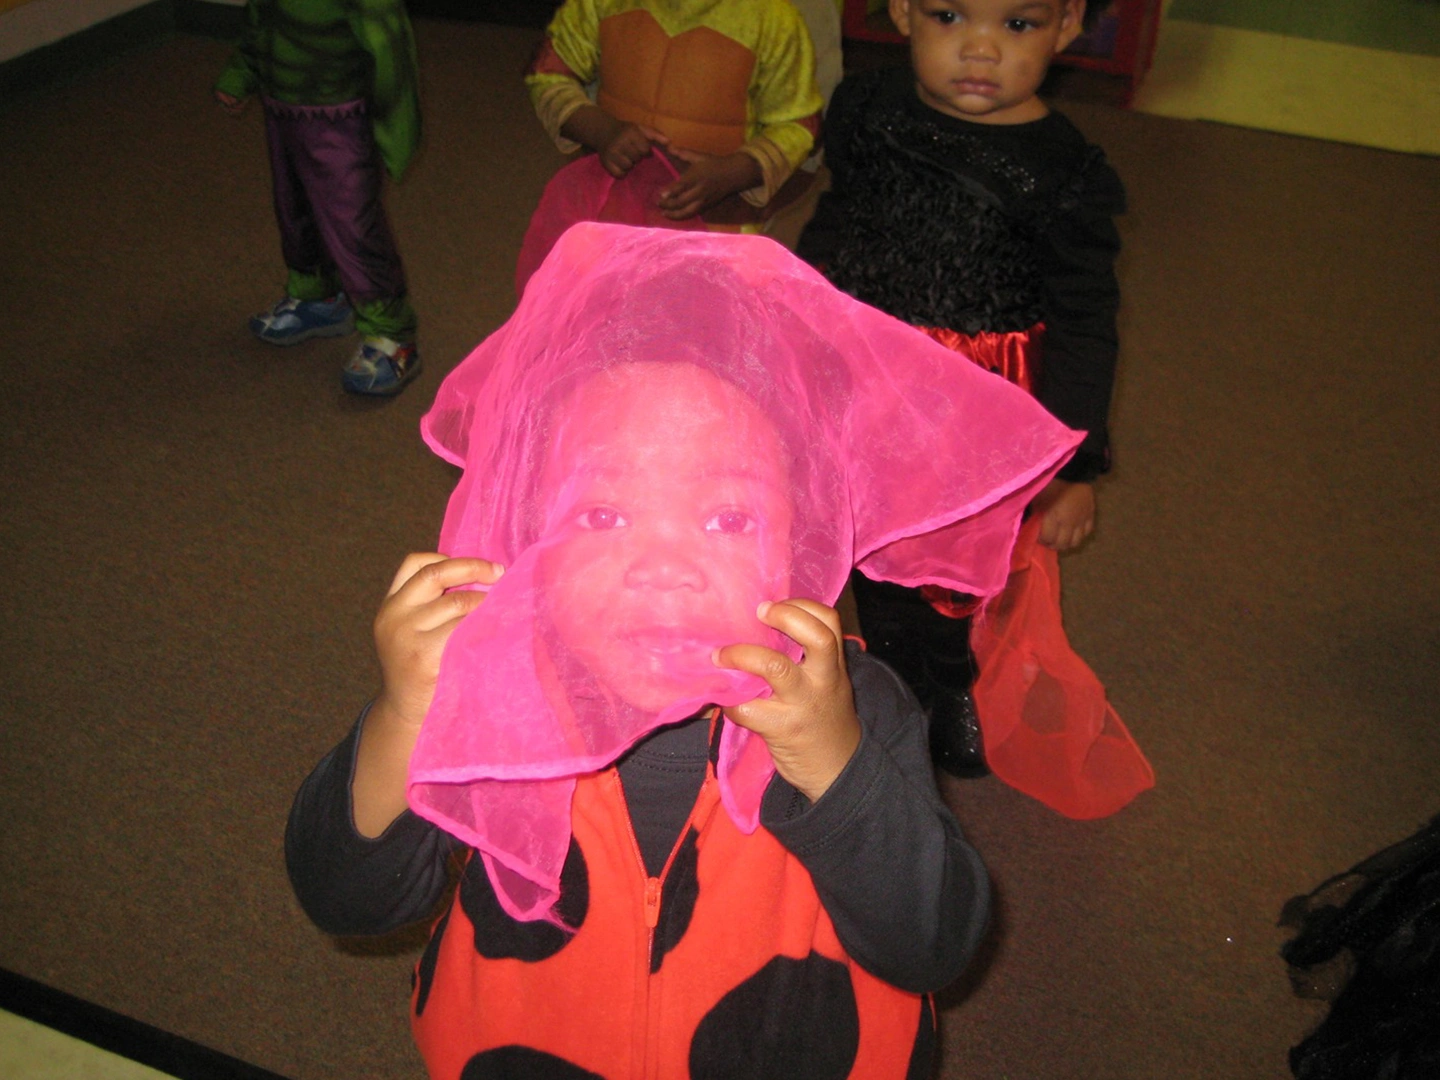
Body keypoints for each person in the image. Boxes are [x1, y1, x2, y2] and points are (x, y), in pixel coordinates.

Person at [285, 223, 1082, 1077]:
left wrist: (831, 761)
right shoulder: (496, 690)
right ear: (527, 524)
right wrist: (409, 711)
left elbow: (932, 944)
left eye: (726, 518)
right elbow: (345, 898)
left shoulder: (851, 703)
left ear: (800, 536)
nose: (665, 569)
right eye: (602, 514)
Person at [796, 0, 1138, 801]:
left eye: (1017, 25)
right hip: (866, 370)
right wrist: (796, 322)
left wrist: (1075, 463)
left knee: (953, 563)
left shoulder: (1065, 172)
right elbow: (837, 223)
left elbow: (1087, 320)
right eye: (950, 15)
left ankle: (948, 680)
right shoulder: (870, 110)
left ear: (1067, 26)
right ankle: (888, 677)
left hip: (977, 398)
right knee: (865, 533)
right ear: (904, 10)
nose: (979, 48)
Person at [214, 0, 423, 396]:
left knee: (352, 222)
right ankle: (320, 295)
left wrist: (397, 131)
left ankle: (393, 335)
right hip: (283, 107)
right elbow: (260, 23)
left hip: (338, 115)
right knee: (294, 208)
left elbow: (390, 50)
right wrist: (240, 74)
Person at [522, 0, 824, 231]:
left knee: (700, 308)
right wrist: (602, 131)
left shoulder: (773, 20)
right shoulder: (600, 4)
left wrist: (735, 171)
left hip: (716, 225)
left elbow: (799, 124)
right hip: (608, 216)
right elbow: (547, 74)